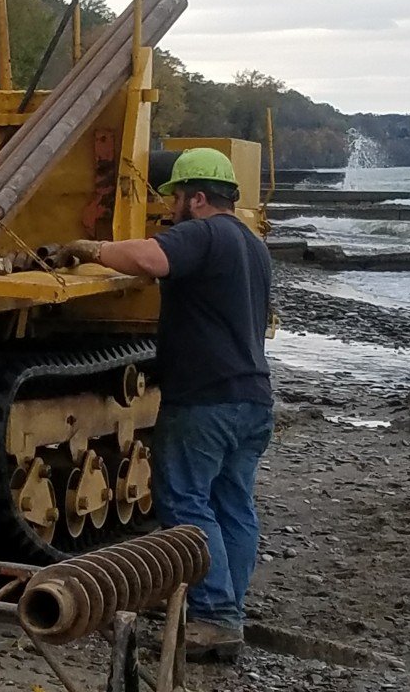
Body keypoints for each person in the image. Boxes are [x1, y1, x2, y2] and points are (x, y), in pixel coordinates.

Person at [53, 146, 273, 661]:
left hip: (205, 400)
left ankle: (214, 618)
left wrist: (92, 249)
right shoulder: (252, 243)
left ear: (196, 198)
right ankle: (227, 610)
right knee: (233, 505)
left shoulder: (204, 232)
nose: (169, 208)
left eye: (174, 198)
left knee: (188, 503)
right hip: (253, 397)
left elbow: (152, 258)